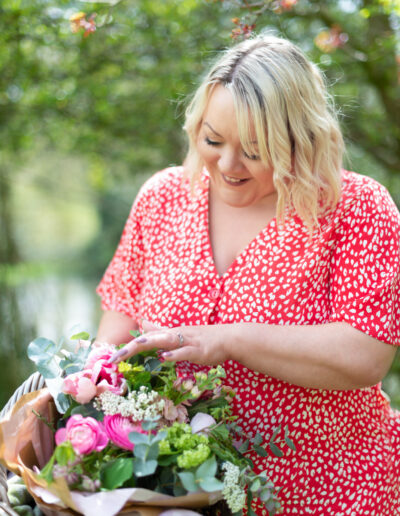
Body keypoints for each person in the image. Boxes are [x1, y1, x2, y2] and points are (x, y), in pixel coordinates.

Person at [95, 35, 400, 515]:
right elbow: (117, 324)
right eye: (213, 140)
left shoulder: (356, 208)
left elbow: (365, 355)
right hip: (182, 497)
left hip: (330, 489)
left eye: (256, 151)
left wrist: (228, 339)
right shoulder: (163, 198)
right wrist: (89, 395)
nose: (227, 165)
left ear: (301, 140)